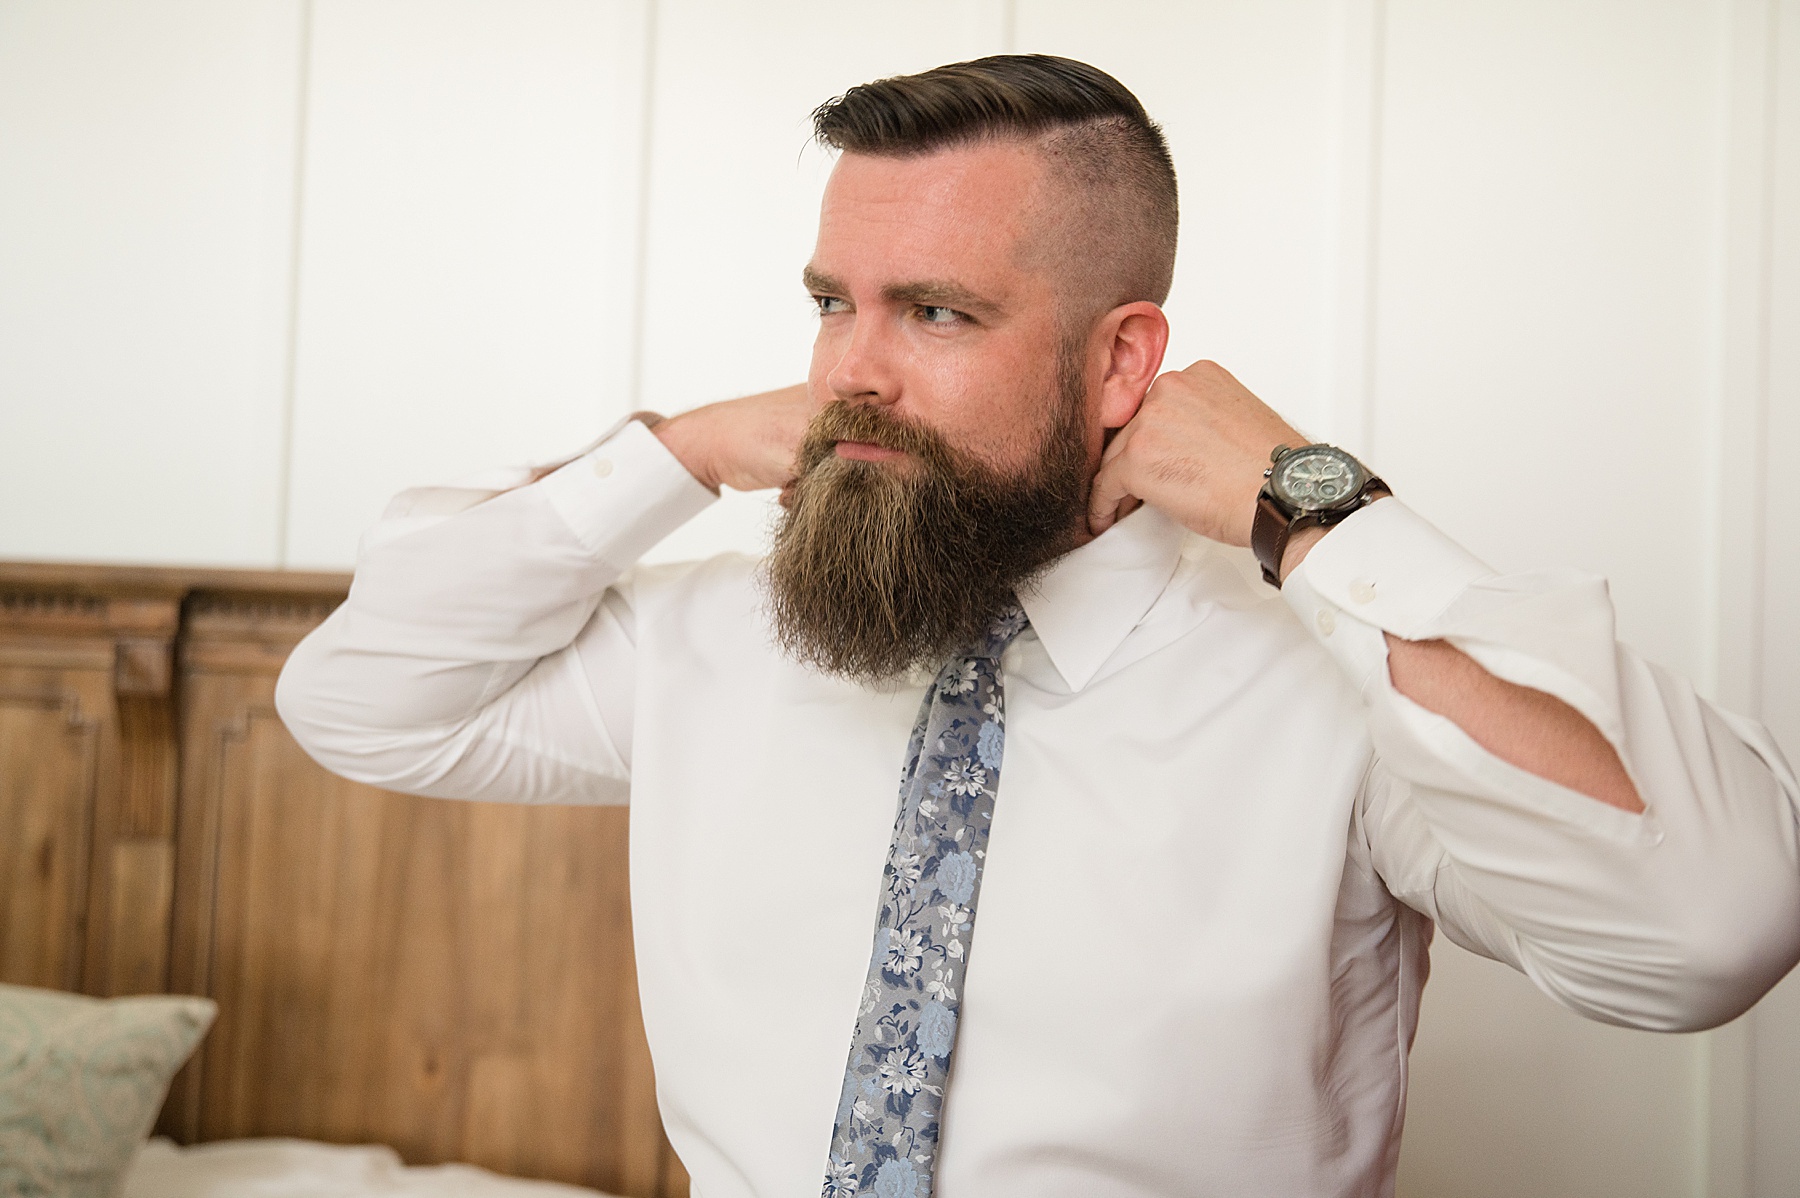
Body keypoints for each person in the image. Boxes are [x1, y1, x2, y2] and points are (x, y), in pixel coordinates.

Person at [276, 55, 1800, 1198]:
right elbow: (361, 696)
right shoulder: (720, 639)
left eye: (933, 312)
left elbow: (1715, 930)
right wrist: (684, 447)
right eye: (832, 303)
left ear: (1124, 358)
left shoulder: (1343, 695)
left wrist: (1316, 508)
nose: (849, 370)